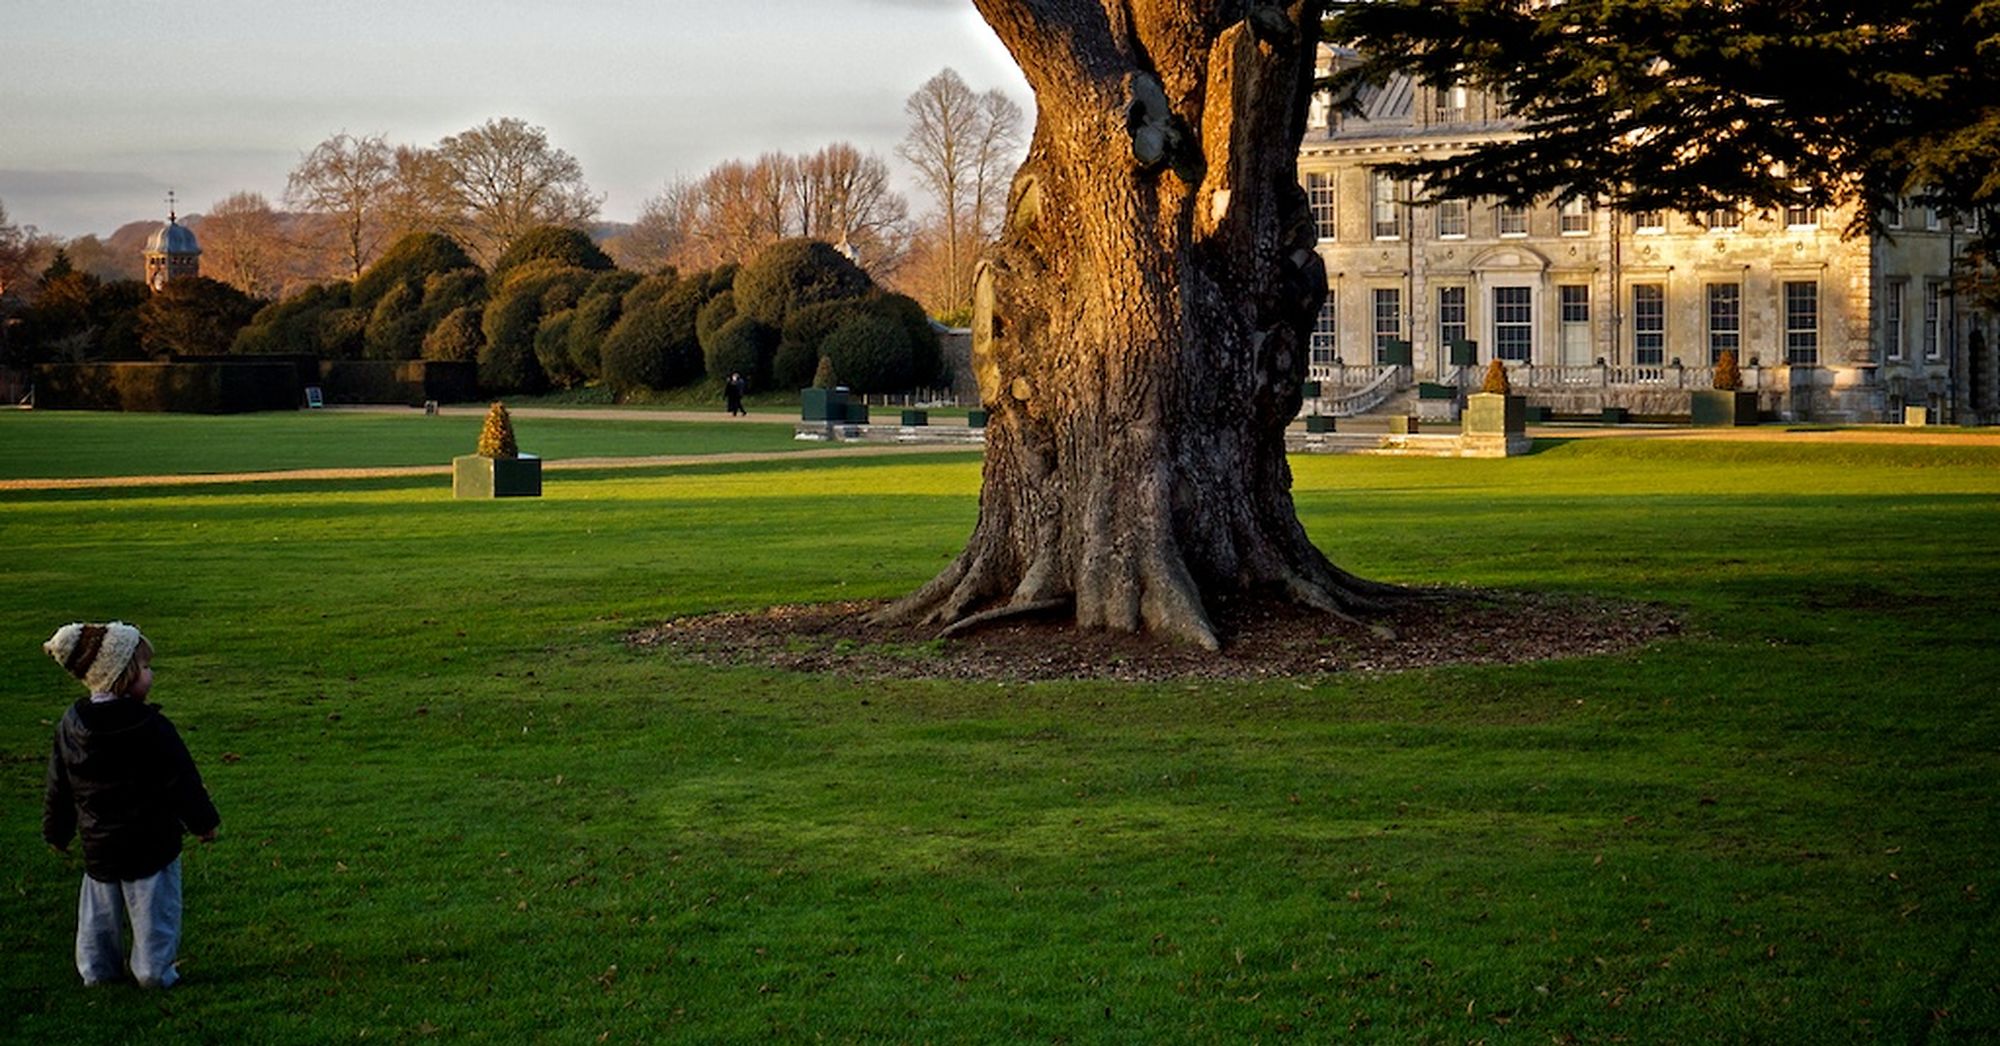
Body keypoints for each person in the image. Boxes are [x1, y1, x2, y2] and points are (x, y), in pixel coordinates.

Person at [42, 622, 219, 989]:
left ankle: (97, 970)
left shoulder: (71, 726)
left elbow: (60, 785)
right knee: (155, 912)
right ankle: (153, 971)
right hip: (151, 844)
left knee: (99, 914)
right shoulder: (152, 727)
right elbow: (181, 780)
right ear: (123, 675)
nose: (151, 673)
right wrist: (204, 822)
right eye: (144, 667)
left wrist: (57, 831)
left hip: (98, 844)